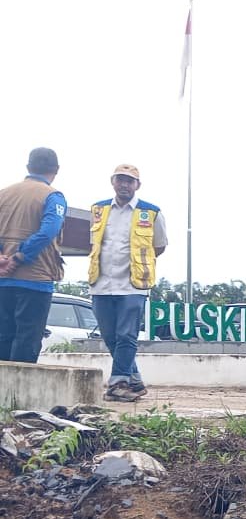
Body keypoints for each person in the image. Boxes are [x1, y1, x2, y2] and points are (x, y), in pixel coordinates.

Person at [87, 164, 168, 402]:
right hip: (101, 283)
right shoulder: (99, 209)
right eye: (120, 180)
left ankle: (118, 382)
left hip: (134, 284)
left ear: (137, 185)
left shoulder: (151, 212)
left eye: (129, 181)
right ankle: (135, 381)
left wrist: (139, 262)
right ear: (112, 182)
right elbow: (93, 242)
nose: (124, 185)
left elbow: (159, 246)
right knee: (110, 336)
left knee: (126, 335)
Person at [0, 148, 67, 364]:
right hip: (35, 280)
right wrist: (20, 257)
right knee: (27, 338)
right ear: (56, 169)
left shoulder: (4, 193)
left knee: (3, 336)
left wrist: (2, 257)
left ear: (28, 167)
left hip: (3, 279)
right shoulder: (53, 197)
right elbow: (48, 231)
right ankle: (20, 386)